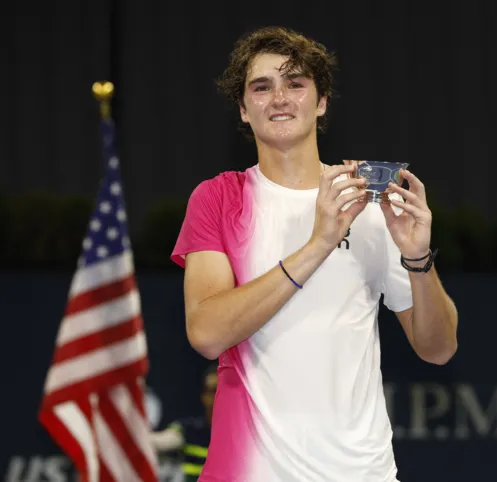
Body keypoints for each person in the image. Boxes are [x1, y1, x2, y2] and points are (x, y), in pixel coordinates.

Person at [170, 26, 458, 482]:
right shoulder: (219, 199)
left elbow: (439, 349)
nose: (279, 97)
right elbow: (206, 333)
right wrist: (320, 243)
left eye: (296, 83)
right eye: (261, 87)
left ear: (321, 102)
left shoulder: (370, 200)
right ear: (244, 110)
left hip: (362, 472)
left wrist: (418, 259)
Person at [150, 364, 218, 481]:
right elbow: (161, 441)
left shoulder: (244, 437)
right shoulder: (189, 430)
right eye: (213, 391)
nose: (217, 397)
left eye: (222, 391)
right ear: (204, 396)